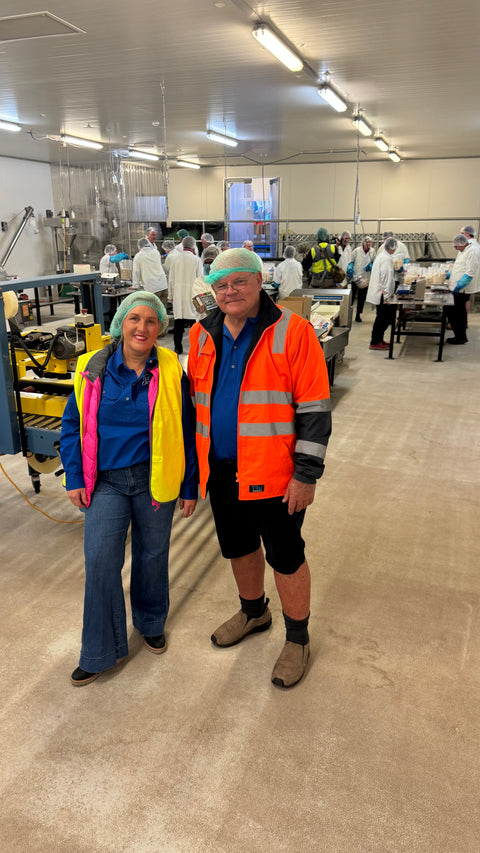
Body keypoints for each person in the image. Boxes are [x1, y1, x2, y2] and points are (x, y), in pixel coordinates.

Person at [188, 248, 332, 688]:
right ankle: (254, 613)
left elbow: (314, 408)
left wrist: (306, 474)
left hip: (275, 474)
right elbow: (193, 403)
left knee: (285, 556)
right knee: (238, 547)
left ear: (258, 281)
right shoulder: (200, 333)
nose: (229, 292)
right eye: (221, 285)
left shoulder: (293, 331)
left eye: (238, 282)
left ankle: (297, 638)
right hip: (221, 470)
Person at [60, 291, 198, 686]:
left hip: (154, 480)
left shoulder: (171, 367)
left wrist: (190, 485)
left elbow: (185, 431)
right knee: (101, 562)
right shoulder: (91, 368)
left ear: (160, 329)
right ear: (121, 323)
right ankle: (99, 651)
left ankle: (151, 622)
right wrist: (74, 476)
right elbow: (72, 426)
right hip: (106, 482)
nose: (142, 327)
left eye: (151, 321)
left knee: (153, 555)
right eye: (135, 319)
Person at [168, 235, 203, 354]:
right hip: (192, 294)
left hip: (178, 295)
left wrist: (170, 296)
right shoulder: (197, 260)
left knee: (178, 324)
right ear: (193, 247)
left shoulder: (175, 260)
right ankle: (195, 348)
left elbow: (171, 280)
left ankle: (178, 347)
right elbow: (200, 280)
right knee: (194, 322)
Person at [446, 233, 480, 345]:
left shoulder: (473, 251)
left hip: (461, 289)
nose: (455, 248)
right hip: (456, 287)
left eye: (456, 246)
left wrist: (459, 287)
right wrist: (449, 275)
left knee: (458, 313)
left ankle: (460, 337)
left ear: (462, 243)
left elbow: (470, 272)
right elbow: (459, 267)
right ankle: (459, 335)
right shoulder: (463, 251)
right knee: (454, 312)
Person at [366, 237, 397, 349]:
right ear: (393, 247)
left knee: (382, 318)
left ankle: (379, 340)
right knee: (384, 319)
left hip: (380, 293)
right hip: (382, 294)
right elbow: (386, 278)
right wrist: (388, 297)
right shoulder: (386, 259)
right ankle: (375, 342)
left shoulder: (382, 256)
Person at [132, 237, 168, 311]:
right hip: (163, 285)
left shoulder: (138, 256)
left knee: (152, 313)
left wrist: (135, 285)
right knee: (162, 312)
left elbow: (136, 272)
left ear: (139, 247)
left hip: (152, 288)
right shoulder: (156, 252)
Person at [348, 236, 376, 322]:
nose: (368, 244)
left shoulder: (372, 252)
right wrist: (350, 268)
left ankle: (358, 315)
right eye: (367, 242)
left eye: (370, 242)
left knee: (362, 298)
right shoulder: (356, 251)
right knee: (351, 298)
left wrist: (371, 265)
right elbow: (351, 261)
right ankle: (348, 314)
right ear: (363, 243)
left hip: (365, 279)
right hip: (355, 277)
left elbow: (375, 262)